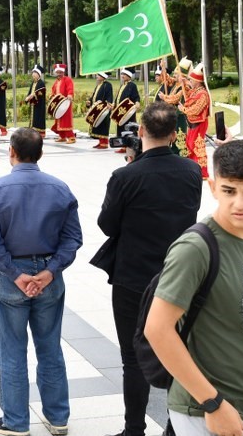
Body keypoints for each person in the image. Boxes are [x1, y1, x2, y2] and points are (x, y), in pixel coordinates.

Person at [144, 140, 243, 436]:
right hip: (203, 410)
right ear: (214, 187)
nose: (239, 203)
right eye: (229, 190)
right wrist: (212, 403)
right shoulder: (196, 248)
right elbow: (157, 329)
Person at [94, 101, 202, 436]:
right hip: (178, 273)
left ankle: (134, 429)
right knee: (177, 350)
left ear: (141, 132)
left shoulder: (126, 175)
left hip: (133, 275)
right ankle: (174, 426)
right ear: (174, 134)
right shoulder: (191, 171)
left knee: (132, 357)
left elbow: (107, 224)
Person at [0, 127, 82, 436]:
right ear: (41, 153)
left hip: (13, 276)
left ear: (11, 152)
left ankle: (15, 421)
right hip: (49, 276)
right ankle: (58, 418)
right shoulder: (60, 188)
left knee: (12, 349)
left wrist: (16, 274)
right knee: (50, 346)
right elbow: (73, 238)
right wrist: (50, 271)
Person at [178, 63, 211, 178]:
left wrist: (184, 109)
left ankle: (202, 172)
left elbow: (196, 109)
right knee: (190, 145)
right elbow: (188, 94)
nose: (190, 81)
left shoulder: (203, 94)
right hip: (193, 122)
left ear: (197, 81)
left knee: (197, 146)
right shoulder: (196, 91)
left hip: (200, 123)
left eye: (191, 80)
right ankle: (193, 168)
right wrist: (183, 82)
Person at [114, 68, 140, 152]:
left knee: (127, 128)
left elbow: (136, 96)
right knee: (120, 128)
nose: (122, 76)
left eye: (124, 74)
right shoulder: (123, 85)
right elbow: (118, 98)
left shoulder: (132, 85)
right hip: (120, 112)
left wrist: (137, 102)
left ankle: (128, 146)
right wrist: (114, 105)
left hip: (128, 112)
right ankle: (122, 145)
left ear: (129, 76)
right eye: (121, 74)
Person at [88, 72, 115, 149]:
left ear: (103, 76)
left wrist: (109, 103)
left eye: (99, 75)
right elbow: (94, 96)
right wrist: (90, 101)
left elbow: (109, 95)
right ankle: (100, 142)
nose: (97, 76)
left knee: (103, 125)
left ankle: (104, 143)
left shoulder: (108, 85)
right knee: (98, 125)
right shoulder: (98, 85)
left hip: (104, 108)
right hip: (97, 108)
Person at [49, 64, 75, 143]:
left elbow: (70, 88)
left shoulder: (67, 79)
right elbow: (53, 90)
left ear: (63, 72)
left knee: (66, 120)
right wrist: (51, 95)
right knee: (58, 120)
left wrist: (70, 94)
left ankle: (71, 137)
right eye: (58, 72)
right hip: (58, 104)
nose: (59, 74)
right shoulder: (56, 81)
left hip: (65, 103)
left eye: (60, 72)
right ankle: (62, 136)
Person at [24, 65, 47, 138]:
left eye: (35, 73)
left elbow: (41, 93)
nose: (33, 74)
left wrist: (33, 96)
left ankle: (40, 132)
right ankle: (33, 130)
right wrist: (27, 98)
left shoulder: (41, 83)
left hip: (39, 104)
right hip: (33, 104)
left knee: (39, 117)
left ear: (38, 74)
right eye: (33, 73)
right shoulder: (33, 83)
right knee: (33, 118)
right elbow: (30, 92)